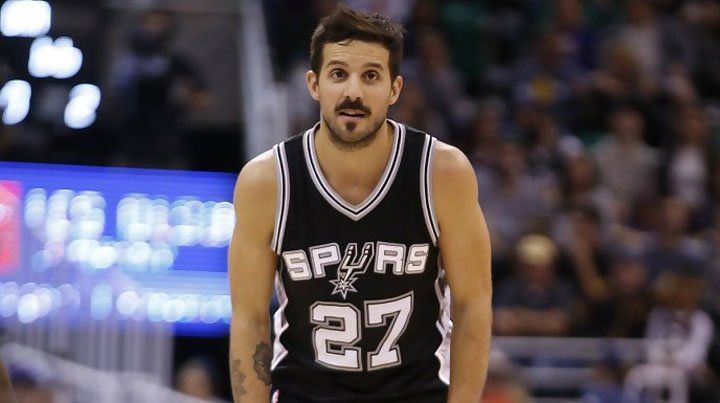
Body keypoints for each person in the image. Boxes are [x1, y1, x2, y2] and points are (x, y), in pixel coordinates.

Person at [228, 6, 492, 403]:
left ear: (394, 89)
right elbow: (250, 318)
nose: (353, 92)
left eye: (371, 76)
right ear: (314, 85)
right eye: (338, 74)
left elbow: (473, 305)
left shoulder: (442, 172)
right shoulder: (267, 182)